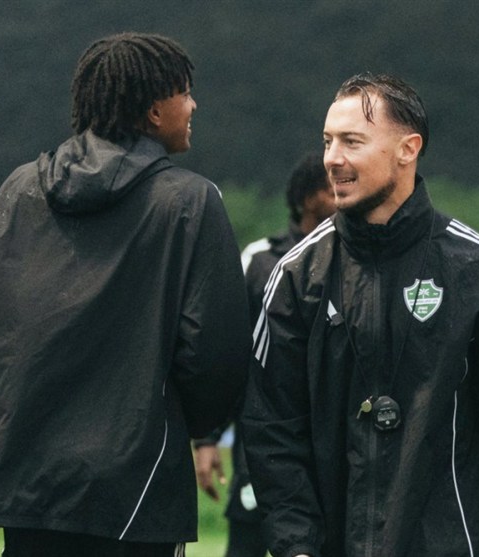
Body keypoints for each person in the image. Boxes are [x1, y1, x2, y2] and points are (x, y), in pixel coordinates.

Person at [242, 73, 479, 557]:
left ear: (408, 149)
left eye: (352, 141)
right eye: (327, 141)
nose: (332, 158)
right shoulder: (298, 276)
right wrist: (295, 543)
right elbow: (273, 425)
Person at [0, 32, 252, 557]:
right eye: (185, 92)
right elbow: (215, 357)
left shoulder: (18, 190)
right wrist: (188, 424)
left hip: (24, 480)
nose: (194, 105)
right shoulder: (190, 203)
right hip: (137, 490)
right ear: (155, 112)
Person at [194, 152, 335, 557]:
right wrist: (208, 437)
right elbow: (231, 352)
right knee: (248, 542)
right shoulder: (260, 260)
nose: (340, 196)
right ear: (307, 199)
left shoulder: (351, 257)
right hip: (263, 439)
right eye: (328, 189)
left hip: (328, 441)